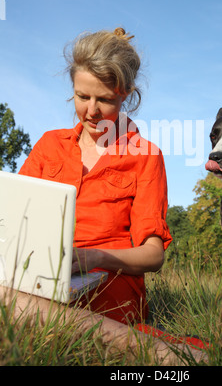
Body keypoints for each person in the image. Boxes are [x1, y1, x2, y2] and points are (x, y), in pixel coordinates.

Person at [18, 27, 173, 326]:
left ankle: (155, 353)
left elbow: (154, 256)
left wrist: (96, 258)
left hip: (108, 281)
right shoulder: (49, 144)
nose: (91, 111)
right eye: (81, 96)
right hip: (41, 274)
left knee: (26, 309)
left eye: (104, 99)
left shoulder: (146, 155)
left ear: (125, 93)